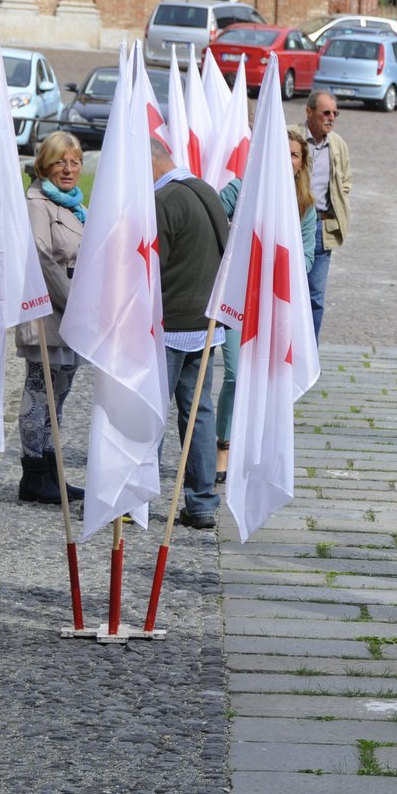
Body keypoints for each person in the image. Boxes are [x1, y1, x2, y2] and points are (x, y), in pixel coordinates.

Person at [215, 125, 322, 482]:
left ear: (301, 163)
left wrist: (276, 262)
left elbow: (307, 259)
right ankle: (224, 444)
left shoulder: (305, 207)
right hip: (238, 297)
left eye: (294, 155)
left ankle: (256, 444)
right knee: (234, 372)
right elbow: (213, 213)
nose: (288, 160)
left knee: (266, 375)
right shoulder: (244, 188)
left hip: (274, 301)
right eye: (283, 152)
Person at [151, 138, 231, 529]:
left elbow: (150, 267)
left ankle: (133, 497)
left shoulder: (163, 200)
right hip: (206, 323)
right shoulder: (207, 190)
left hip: (170, 323)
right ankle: (202, 503)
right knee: (198, 414)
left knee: (149, 412)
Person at [16, 131, 86, 504]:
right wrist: (78, 305)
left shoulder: (76, 205)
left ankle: (52, 469)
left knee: (60, 396)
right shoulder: (36, 202)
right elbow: (44, 257)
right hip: (50, 311)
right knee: (39, 394)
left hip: (74, 311)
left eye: (74, 162)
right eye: (61, 162)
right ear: (45, 164)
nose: (68, 169)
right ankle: (33, 474)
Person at [303, 90, 351, 342]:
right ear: (309, 112)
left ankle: (309, 357)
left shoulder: (338, 144)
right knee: (285, 292)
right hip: (294, 227)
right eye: (326, 112)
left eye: (335, 113)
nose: (331, 118)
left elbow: (345, 182)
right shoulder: (292, 138)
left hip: (322, 229)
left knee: (315, 296)